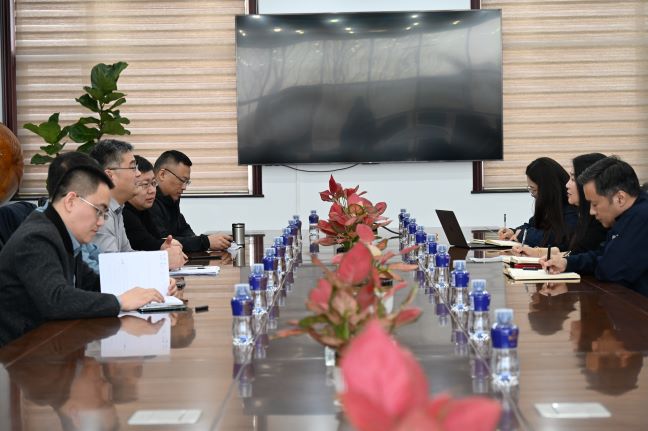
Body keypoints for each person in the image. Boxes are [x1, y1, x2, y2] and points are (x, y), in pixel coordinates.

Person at [0, 164, 176, 346]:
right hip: (19, 352)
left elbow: (94, 284)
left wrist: (154, 284)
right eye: (98, 211)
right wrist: (119, 302)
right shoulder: (38, 236)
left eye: (104, 214)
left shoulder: (63, 233)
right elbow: (56, 299)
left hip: (51, 343)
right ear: (71, 201)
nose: (100, 222)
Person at [542, 156, 648, 297]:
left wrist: (600, 263)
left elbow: (610, 271)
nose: (591, 211)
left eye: (595, 204)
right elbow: (603, 254)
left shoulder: (641, 217)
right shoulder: (625, 216)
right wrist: (567, 263)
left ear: (620, 198)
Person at [513, 153, 608, 257]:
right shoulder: (583, 216)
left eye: (573, 179)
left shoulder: (576, 213)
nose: (567, 185)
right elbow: (574, 252)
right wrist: (514, 231)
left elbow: (560, 241)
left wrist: (522, 235)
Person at [150, 150, 232, 252]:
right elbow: (164, 241)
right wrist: (206, 242)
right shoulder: (148, 201)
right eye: (182, 180)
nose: (184, 187)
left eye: (187, 182)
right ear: (162, 174)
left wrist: (210, 241)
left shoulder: (171, 199)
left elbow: (184, 230)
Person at [499, 157, 577, 250]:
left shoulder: (572, 207)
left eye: (534, 189)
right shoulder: (549, 206)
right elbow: (533, 224)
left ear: (547, 188)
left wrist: (523, 234)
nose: (532, 194)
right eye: (530, 189)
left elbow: (557, 239)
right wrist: (513, 231)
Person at [123, 156, 187, 263]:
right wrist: (163, 246)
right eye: (145, 185)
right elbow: (144, 243)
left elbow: (155, 239)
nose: (152, 190)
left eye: (153, 183)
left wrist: (167, 245)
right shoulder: (123, 212)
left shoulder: (144, 209)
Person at [89, 139, 141, 253]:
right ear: (109, 176)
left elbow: (127, 253)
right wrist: (164, 258)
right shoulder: (99, 211)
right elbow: (111, 261)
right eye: (133, 168)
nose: (139, 173)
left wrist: (162, 256)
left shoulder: (116, 208)